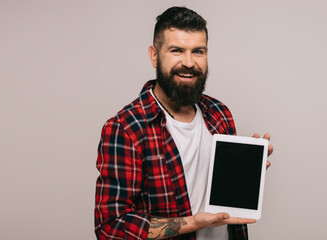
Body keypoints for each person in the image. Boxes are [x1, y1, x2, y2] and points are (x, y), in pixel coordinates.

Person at [94, 6, 272, 240]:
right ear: (154, 55)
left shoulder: (220, 113)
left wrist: (248, 170)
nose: (189, 62)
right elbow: (111, 227)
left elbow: (226, 197)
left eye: (198, 51)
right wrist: (191, 223)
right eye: (177, 50)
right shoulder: (126, 128)